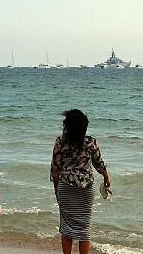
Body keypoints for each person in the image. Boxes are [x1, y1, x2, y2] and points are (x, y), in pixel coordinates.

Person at [51, 109, 111, 254]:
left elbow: (55, 167)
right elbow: (98, 163)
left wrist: (56, 188)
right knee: (84, 229)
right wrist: (106, 177)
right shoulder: (90, 142)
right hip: (86, 189)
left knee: (66, 228)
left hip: (65, 187)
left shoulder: (60, 142)